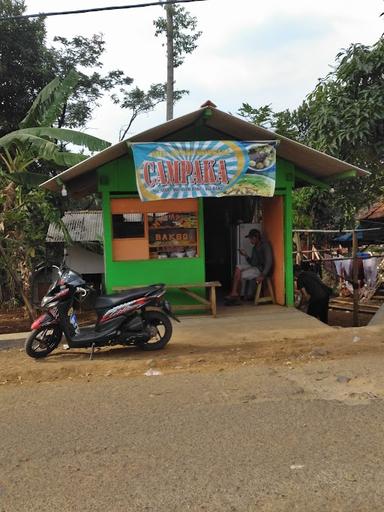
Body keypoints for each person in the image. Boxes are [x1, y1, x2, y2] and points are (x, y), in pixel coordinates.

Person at [225, 229, 273, 303]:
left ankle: (236, 299)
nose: (250, 240)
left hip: (262, 270)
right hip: (256, 267)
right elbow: (253, 263)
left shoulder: (265, 245)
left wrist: (263, 275)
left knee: (241, 274)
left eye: (251, 238)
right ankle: (234, 292)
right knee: (238, 267)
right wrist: (245, 255)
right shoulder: (254, 248)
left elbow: (269, 262)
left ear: (256, 237)